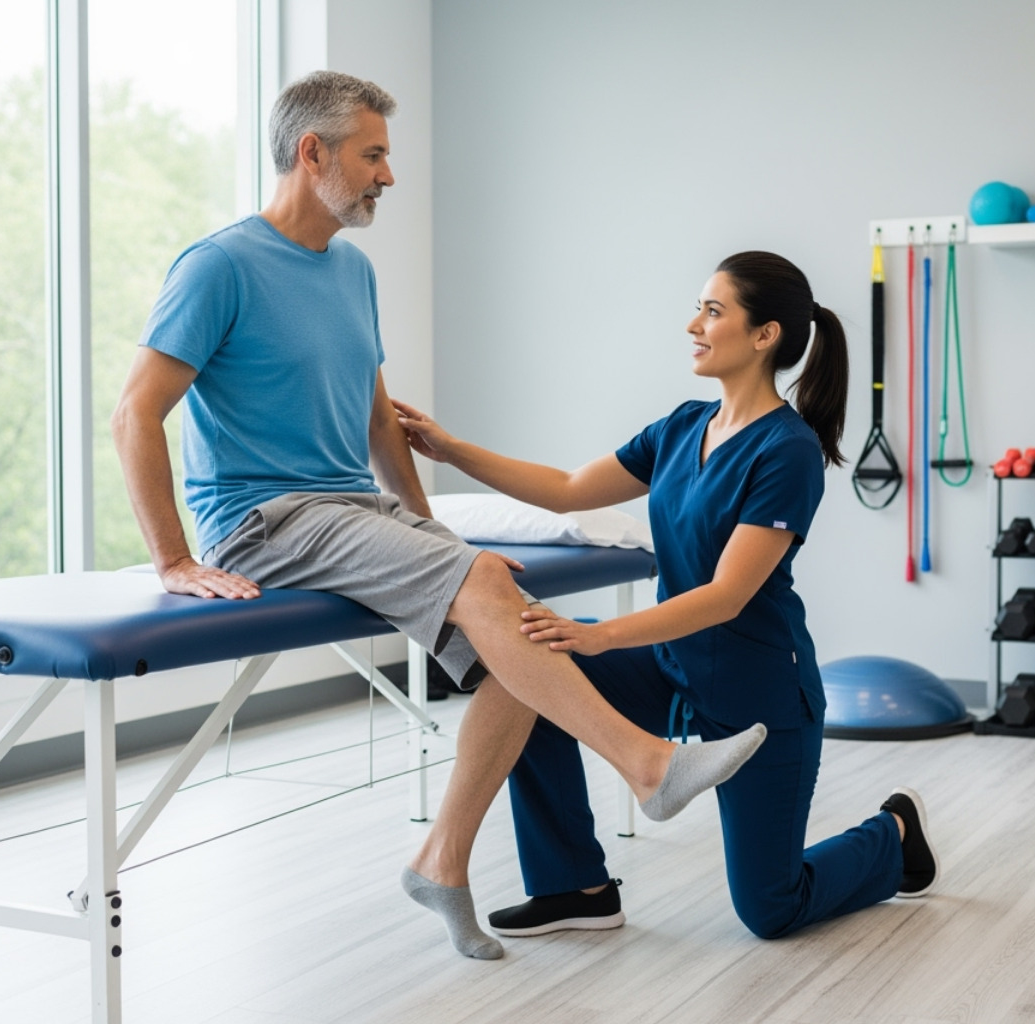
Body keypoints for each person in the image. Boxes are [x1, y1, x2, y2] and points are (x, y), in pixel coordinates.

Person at [111, 71, 766, 962]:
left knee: (518, 635)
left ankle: (442, 860)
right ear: (314, 153)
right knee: (493, 591)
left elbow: (379, 419)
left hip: (348, 506)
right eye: (373, 154)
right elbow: (134, 412)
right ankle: (648, 764)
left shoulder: (350, 270)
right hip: (265, 516)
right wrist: (172, 560)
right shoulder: (219, 266)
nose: (388, 174)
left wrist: (437, 539)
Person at [394, 251, 940, 944]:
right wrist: (451, 449)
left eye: (714, 311)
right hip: (670, 668)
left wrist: (598, 635)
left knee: (770, 908)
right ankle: (575, 889)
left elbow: (727, 596)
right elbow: (567, 489)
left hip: (761, 694)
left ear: (764, 334)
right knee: (525, 675)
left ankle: (893, 836)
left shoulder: (788, 451)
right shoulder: (683, 427)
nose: (694, 324)